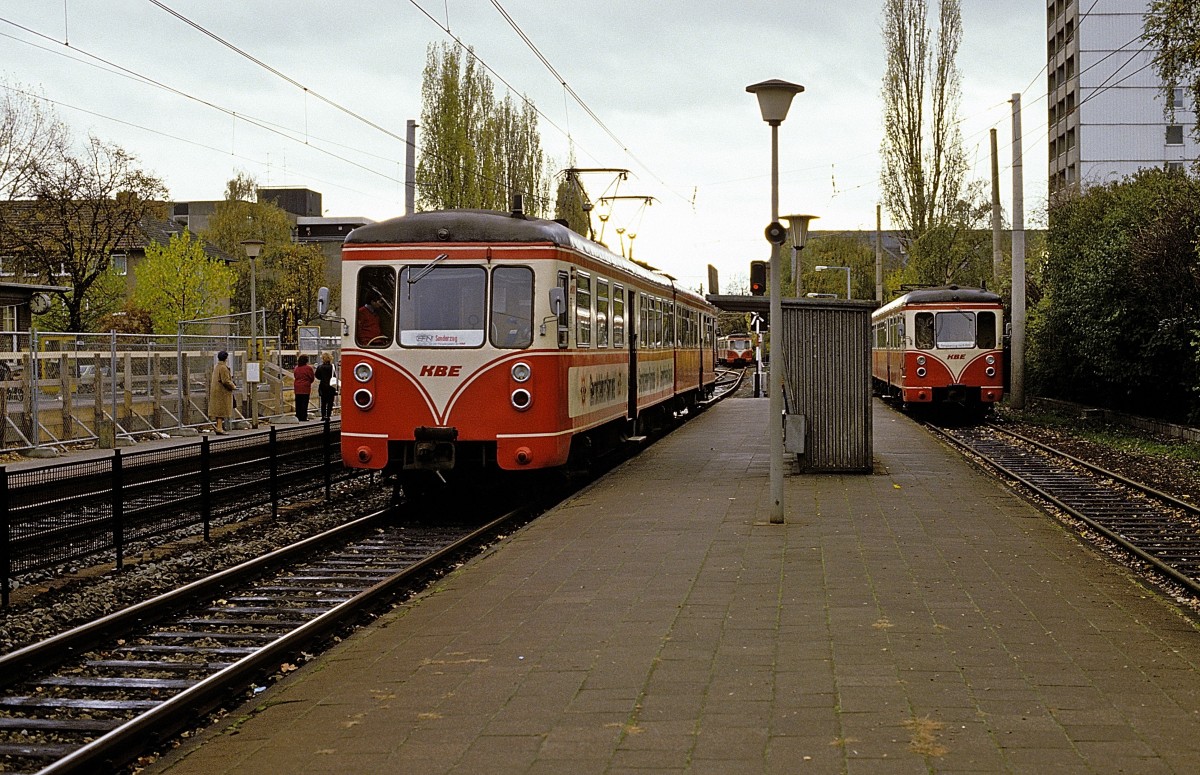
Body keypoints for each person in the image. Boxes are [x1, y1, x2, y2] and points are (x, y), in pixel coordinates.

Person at [208, 350, 236, 434]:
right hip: (222, 392)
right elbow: (225, 381)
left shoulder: (217, 366)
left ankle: (219, 427)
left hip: (216, 391)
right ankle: (219, 428)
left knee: (218, 410)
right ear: (226, 358)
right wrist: (233, 386)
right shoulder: (223, 367)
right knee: (221, 410)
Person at [314, 352, 336, 421]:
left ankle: (323, 416)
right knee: (330, 402)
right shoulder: (332, 367)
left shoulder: (320, 367)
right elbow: (334, 376)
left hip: (323, 386)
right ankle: (328, 415)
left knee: (323, 402)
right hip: (331, 386)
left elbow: (317, 376)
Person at [293, 354, 315, 421]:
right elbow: (312, 377)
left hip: (297, 387)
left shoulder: (296, 368)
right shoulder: (308, 368)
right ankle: (303, 417)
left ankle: (298, 416)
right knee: (304, 402)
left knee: (298, 402)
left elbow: (295, 375)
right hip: (305, 387)